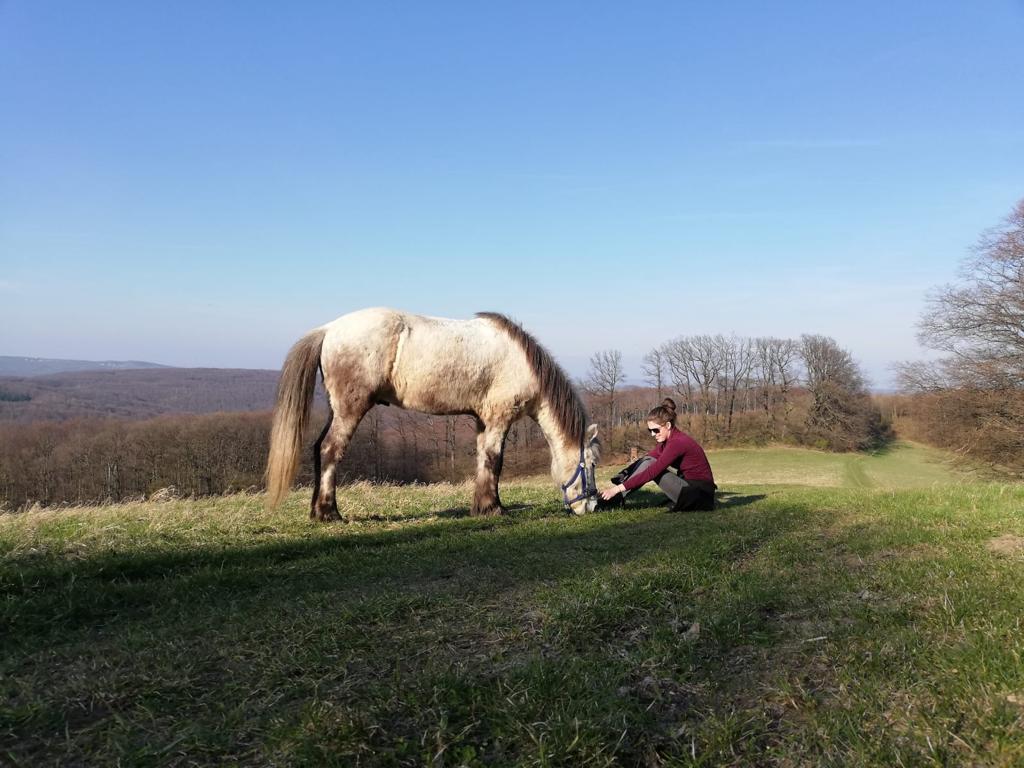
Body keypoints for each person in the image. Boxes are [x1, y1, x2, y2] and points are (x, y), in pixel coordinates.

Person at [599, 398, 716, 511]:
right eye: (650, 430)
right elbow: (647, 458)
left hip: (699, 495)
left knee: (651, 465)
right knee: (649, 460)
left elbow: (652, 471)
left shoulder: (677, 443)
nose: (652, 434)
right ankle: (616, 498)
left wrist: (616, 489)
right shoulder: (668, 442)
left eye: (656, 430)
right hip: (690, 489)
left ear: (668, 426)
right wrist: (625, 472)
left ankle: (615, 498)